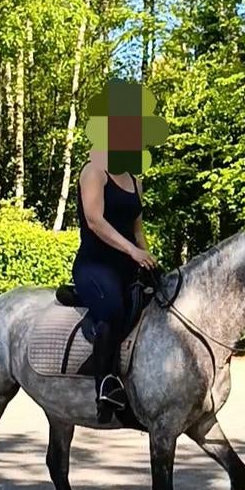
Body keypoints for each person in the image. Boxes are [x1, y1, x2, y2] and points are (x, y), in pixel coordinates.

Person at [73, 153, 158, 421]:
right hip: (95, 266)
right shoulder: (94, 172)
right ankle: (105, 384)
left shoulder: (135, 179)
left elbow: (137, 230)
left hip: (128, 267)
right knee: (112, 310)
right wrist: (133, 252)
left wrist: (149, 259)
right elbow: (95, 221)